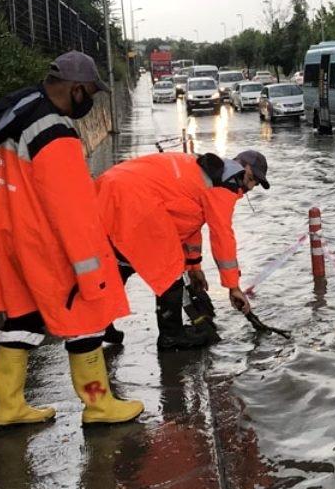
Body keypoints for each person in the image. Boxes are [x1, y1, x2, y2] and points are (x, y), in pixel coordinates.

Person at [0, 51, 143, 429]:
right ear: (77, 89)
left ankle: (9, 405)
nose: (92, 101)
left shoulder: (20, 114)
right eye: (92, 94)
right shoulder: (54, 132)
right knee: (86, 316)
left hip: (9, 235)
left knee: (22, 317)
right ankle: (99, 405)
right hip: (44, 240)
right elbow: (72, 208)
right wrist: (91, 270)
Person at [95, 149, 269, 350]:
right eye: (253, 178)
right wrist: (233, 286)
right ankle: (172, 335)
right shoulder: (226, 183)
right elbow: (222, 236)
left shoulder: (206, 170)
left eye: (256, 183)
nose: (252, 185)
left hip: (112, 188)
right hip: (135, 201)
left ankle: (100, 322)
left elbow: (188, 222)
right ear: (243, 166)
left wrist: (194, 266)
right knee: (169, 268)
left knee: (121, 262)